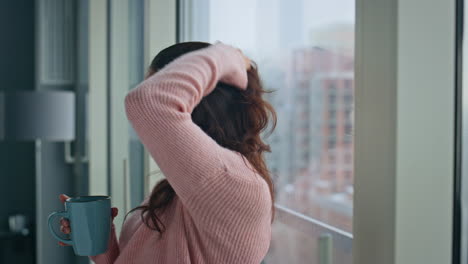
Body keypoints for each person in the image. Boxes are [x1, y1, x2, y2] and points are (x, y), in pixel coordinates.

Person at [59, 41, 277, 263]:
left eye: (160, 85)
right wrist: (101, 243)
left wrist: (229, 56)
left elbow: (147, 101)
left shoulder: (234, 183)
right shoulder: (179, 187)